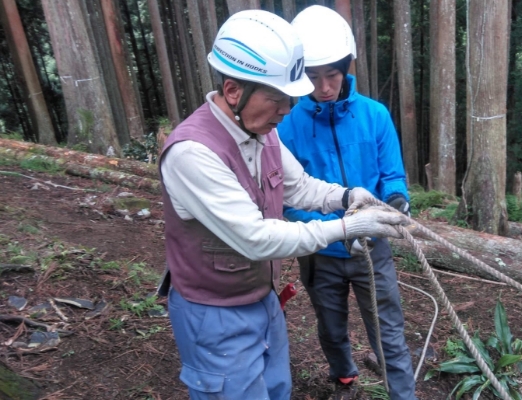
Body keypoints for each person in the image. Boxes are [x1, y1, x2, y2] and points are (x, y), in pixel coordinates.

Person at [158, 9, 410, 400]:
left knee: (276, 389)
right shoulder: (193, 153)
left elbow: (300, 187)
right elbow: (256, 238)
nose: (288, 110)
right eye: (278, 99)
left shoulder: (262, 131)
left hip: (261, 298)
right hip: (215, 310)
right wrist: (347, 228)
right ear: (233, 91)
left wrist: (346, 197)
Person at [277, 5, 417, 400]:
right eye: (313, 77)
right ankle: (343, 374)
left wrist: (395, 202)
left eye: (332, 75)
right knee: (331, 325)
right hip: (321, 253)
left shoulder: (374, 115)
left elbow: (392, 174)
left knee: (387, 329)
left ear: (346, 68)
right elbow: (291, 197)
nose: (323, 86)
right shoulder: (287, 124)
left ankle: (403, 395)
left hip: (374, 249)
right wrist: (332, 233)